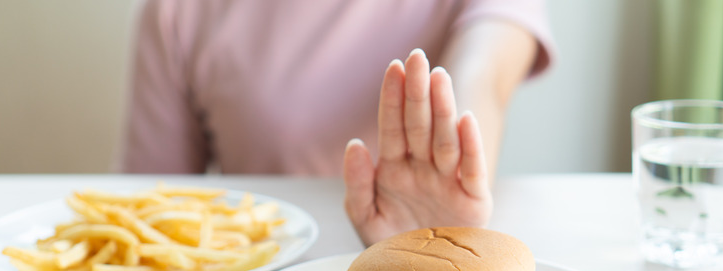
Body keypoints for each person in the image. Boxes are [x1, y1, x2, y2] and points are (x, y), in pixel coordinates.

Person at [116, 0, 554, 246]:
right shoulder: (176, 12)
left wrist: (447, 181)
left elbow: (483, 73)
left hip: (425, 253)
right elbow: (153, 208)